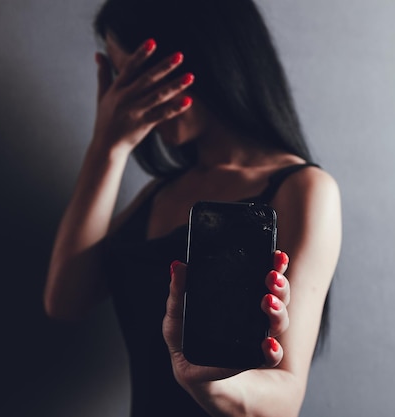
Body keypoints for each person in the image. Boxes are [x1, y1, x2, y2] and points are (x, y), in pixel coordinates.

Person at [44, 0, 342, 415]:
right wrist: (106, 146)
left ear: (201, 55)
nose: (129, 98)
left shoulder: (302, 189)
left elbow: (284, 400)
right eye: (121, 81)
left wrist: (204, 383)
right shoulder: (160, 193)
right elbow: (65, 298)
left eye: (140, 74)